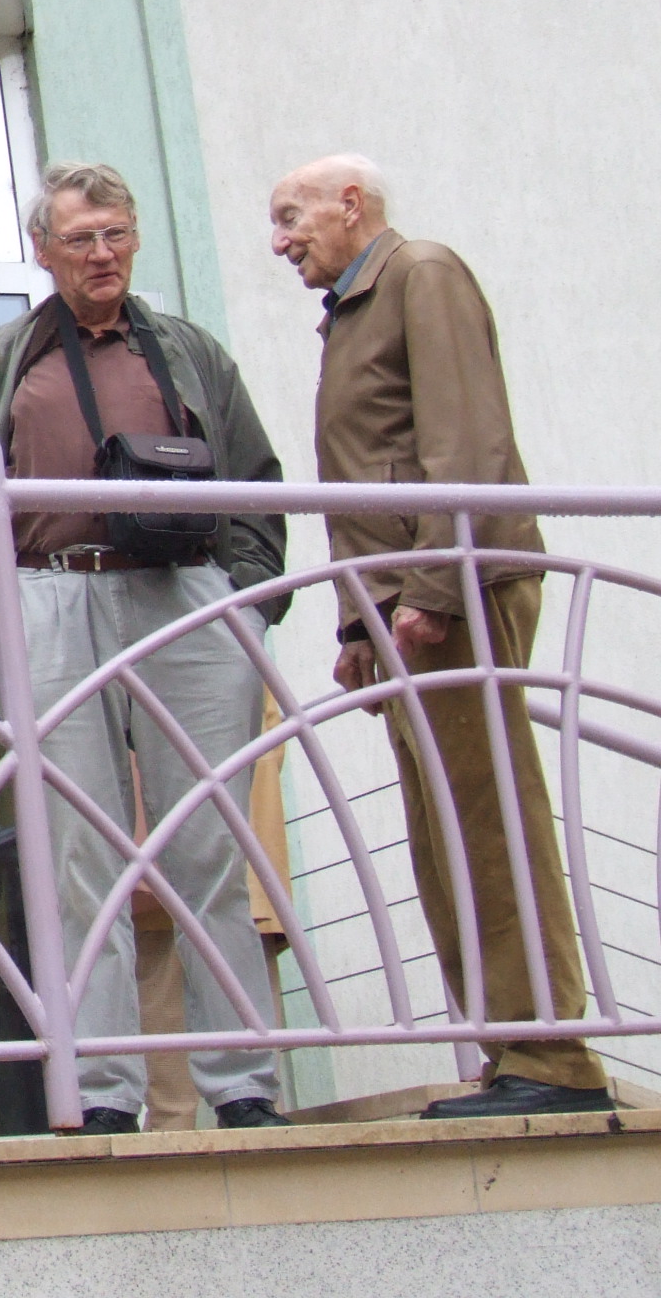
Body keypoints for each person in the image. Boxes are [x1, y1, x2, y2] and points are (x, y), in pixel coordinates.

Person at [0, 162, 293, 1136]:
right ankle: (105, 1094)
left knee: (210, 842)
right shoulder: (2, 360)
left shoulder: (190, 353)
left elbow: (259, 483)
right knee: (77, 856)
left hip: (186, 600)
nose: (102, 255)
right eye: (81, 239)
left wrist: (244, 607)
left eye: (116, 234)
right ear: (43, 251)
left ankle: (244, 1086)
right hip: (49, 597)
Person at [268, 154, 612, 1117]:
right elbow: (370, 474)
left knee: (487, 817)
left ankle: (551, 1057)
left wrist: (430, 589)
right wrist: (358, 620)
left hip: (451, 595)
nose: (279, 240)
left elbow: (465, 444)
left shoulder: (420, 273)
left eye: (291, 216)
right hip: (409, 607)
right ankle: (510, 1049)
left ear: (351, 204)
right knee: (445, 830)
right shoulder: (355, 307)